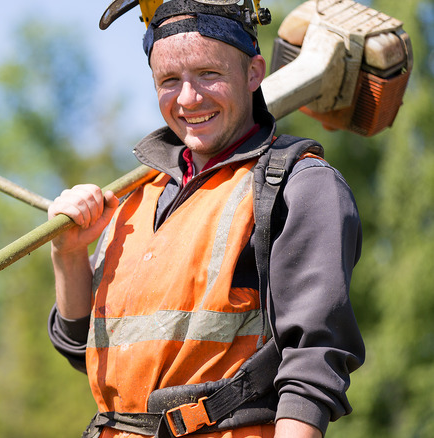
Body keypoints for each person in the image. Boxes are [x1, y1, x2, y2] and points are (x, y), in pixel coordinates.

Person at [46, 1, 365, 437]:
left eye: (209, 74)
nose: (189, 98)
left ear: (254, 73)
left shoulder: (297, 184)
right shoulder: (135, 198)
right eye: (169, 81)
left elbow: (312, 363)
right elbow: (79, 348)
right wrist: (69, 254)